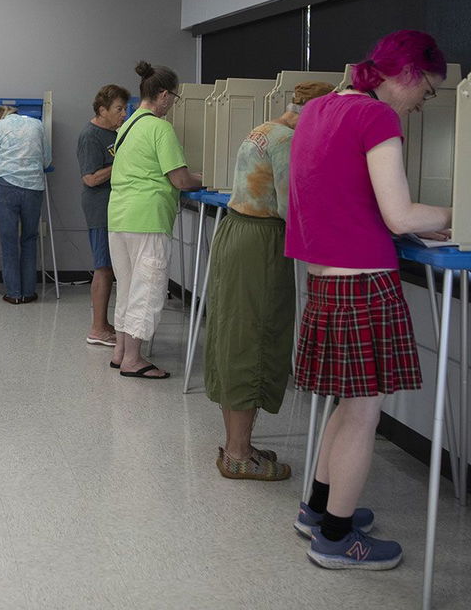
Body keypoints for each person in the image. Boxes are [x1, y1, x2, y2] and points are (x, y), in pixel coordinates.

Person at [286, 30, 452, 569]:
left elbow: (343, 194)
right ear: (405, 73)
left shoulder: (319, 110)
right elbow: (400, 216)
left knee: (347, 403)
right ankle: (336, 540)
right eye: (425, 90)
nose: (422, 102)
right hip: (364, 281)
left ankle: (317, 510)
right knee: (364, 414)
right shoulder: (379, 118)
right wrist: (460, 214)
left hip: (326, 279)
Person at [204, 80, 336, 481]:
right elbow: (289, 205)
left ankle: (235, 444)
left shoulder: (264, 129)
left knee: (234, 337)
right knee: (255, 341)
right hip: (260, 242)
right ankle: (240, 455)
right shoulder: (289, 142)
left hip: (236, 232)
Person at [107, 61, 202, 379]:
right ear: (163, 94)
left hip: (119, 217)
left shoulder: (128, 125)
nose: (173, 103)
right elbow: (181, 180)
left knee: (127, 286)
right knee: (147, 288)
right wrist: (209, 177)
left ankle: (121, 352)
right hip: (147, 218)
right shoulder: (160, 128)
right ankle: (134, 359)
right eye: (173, 97)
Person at [0, 105, 52, 304]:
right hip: (34, 188)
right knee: (29, 238)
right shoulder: (37, 124)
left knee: (8, 240)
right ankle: (29, 292)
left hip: (7, 187)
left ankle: (13, 293)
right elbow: (47, 161)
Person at [76, 84, 130, 346]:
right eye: (119, 109)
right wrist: (121, 162)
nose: (124, 114)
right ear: (102, 110)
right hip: (99, 208)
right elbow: (90, 178)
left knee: (109, 267)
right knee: (103, 268)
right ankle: (97, 329)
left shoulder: (115, 132)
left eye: (125, 108)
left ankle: (104, 323)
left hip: (114, 207)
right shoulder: (90, 136)